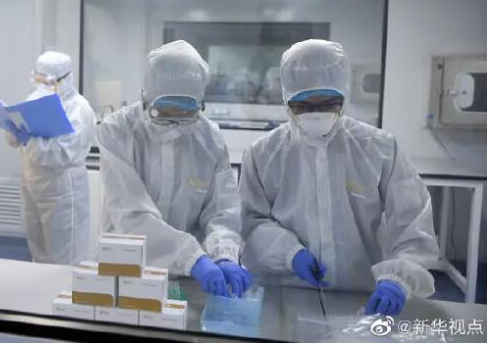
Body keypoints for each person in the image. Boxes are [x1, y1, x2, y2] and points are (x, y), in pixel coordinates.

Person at [240, 39, 439, 315]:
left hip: (364, 298)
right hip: (287, 292)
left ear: (344, 97)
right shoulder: (263, 153)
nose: (315, 114)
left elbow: (413, 222)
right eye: (303, 105)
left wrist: (398, 279)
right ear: (286, 100)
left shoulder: (378, 148)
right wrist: (289, 253)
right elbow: (251, 221)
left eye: (328, 103)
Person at [97, 40, 252, 298]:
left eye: (186, 112)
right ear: (145, 99)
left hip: (191, 277)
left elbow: (222, 210)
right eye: (165, 111)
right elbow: (131, 213)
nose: (175, 123)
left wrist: (223, 253)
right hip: (128, 267)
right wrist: (193, 258)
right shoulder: (117, 131)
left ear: (200, 105)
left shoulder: (210, 139)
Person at [5, 50, 96, 265]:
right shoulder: (35, 99)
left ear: (67, 79)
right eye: (39, 80)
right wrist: (13, 130)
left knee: (64, 255)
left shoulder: (78, 109)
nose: (43, 86)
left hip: (62, 190)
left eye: (49, 82)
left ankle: (64, 287)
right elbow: (16, 139)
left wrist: (30, 140)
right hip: (33, 184)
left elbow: (63, 154)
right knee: (37, 248)